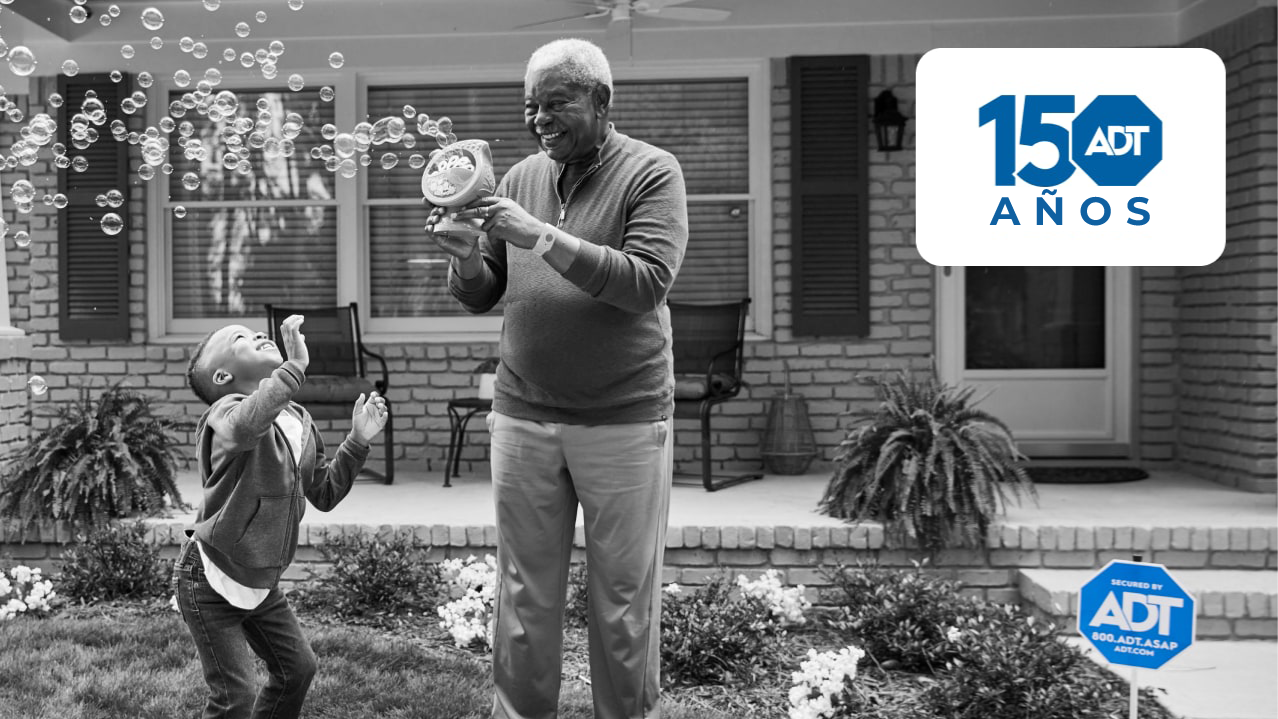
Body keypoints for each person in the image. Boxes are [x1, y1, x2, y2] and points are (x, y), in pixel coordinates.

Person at [426, 37, 688, 719]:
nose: (537, 119)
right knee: (524, 592)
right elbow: (484, 291)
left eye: (554, 103)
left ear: (601, 100)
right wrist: (463, 259)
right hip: (522, 414)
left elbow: (645, 282)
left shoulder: (653, 172)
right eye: (529, 106)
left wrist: (539, 235)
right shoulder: (515, 179)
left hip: (623, 420)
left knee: (624, 599)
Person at [177, 314, 388, 719]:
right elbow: (245, 428)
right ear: (222, 377)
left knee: (298, 669)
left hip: (260, 579)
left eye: (254, 331)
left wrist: (357, 442)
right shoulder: (224, 414)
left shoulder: (298, 421)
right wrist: (294, 368)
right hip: (210, 576)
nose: (257, 333)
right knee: (234, 698)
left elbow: (324, 492)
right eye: (240, 337)